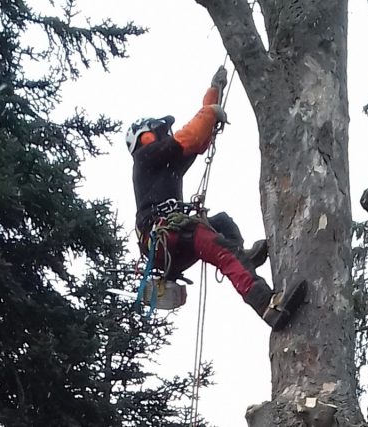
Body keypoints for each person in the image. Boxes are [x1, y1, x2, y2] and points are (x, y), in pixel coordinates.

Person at [125, 66, 305, 330]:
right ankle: (266, 305)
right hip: (165, 234)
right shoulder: (146, 157)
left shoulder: (165, 163)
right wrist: (209, 113)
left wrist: (213, 94)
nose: (167, 135)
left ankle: (242, 257)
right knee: (219, 249)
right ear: (147, 136)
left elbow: (197, 142)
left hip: (172, 242)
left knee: (221, 223)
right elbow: (189, 138)